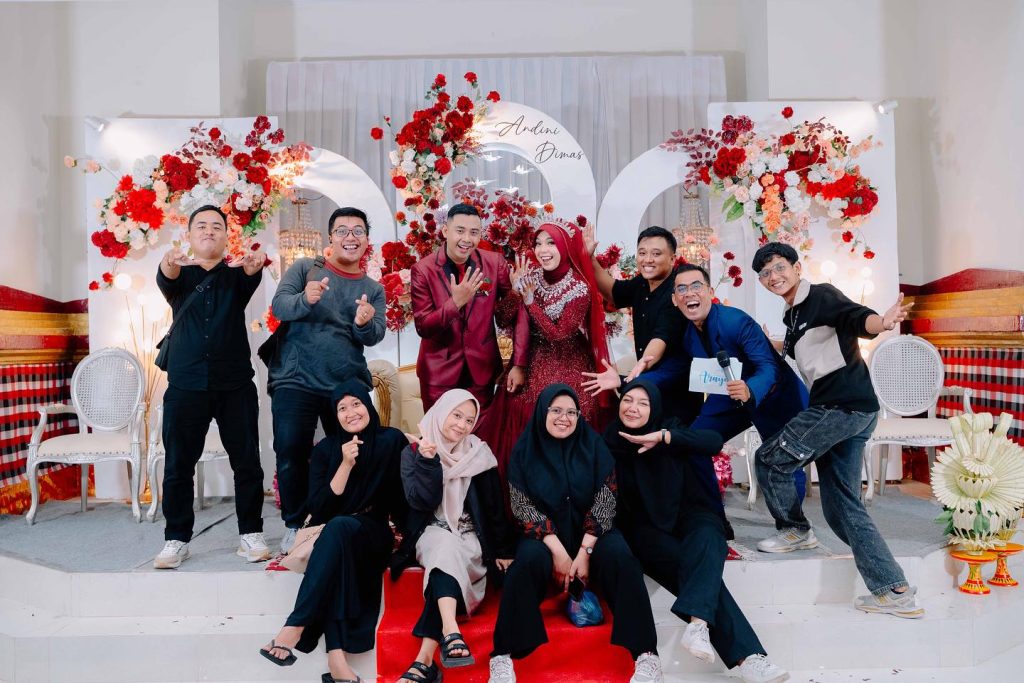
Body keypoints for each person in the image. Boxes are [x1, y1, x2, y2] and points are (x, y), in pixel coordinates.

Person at [751, 242, 922, 618]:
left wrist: (884, 321)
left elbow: (858, 319)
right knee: (841, 507)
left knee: (770, 458)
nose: (773, 276)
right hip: (853, 411)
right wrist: (770, 342)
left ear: (796, 268)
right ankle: (893, 589)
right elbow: (799, 346)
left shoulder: (822, 295)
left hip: (841, 407)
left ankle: (795, 530)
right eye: (765, 273)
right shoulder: (792, 314)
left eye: (779, 268)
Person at [605, 380, 790, 683]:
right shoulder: (608, 441)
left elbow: (712, 440)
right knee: (688, 564)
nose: (633, 408)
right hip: (644, 529)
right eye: (627, 400)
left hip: (687, 513)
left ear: (654, 407)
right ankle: (747, 657)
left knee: (709, 535)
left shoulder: (670, 429)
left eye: (642, 403)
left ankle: (698, 625)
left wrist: (665, 437)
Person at [489, 384, 663, 683]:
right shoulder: (524, 451)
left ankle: (647, 655)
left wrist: (585, 551)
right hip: (545, 536)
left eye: (571, 412)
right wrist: (559, 553)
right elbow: (522, 505)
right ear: (542, 412)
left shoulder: (593, 445)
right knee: (525, 564)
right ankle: (503, 657)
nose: (564, 418)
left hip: (593, 533)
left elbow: (606, 498)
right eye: (556, 410)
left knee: (622, 558)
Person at [259, 381, 409, 683]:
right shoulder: (327, 450)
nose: (351, 412)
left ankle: (296, 626)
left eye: (356, 404)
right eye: (342, 408)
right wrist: (345, 465)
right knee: (338, 541)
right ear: (334, 415)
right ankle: (337, 660)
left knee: (339, 531)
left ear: (368, 405)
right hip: (334, 533)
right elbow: (318, 509)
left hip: (373, 532)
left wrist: (412, 541)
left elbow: (403, 495)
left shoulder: (391, 440)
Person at [153, 205, 269, 569]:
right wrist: (169, 262)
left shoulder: (236, 275)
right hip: (185, 384)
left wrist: (254, 264)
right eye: (201, 226)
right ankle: (176, 539)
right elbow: (167, 276)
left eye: (217, 226)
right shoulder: (180, 274)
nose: (209, 231)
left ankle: (251, 533)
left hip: (235, 384)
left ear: (225, 236)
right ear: (189, 235)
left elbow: (251, 273)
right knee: (178, 465)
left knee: (247, 462)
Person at [268, 207, 386, 553]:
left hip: (345, 383)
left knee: (356, 451)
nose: (351, 237)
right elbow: (279, 307)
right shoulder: (306, 269)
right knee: (290, 451)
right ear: (331, 237)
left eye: (358, 231)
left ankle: (343, 518)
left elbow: (375, 334)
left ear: (366, 239)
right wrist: (305, 299)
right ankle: (295, 524)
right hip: (296, 379)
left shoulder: (373, 289)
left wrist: (363, 322)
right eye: (343, 230)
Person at [391, 389, 517, 683]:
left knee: (445, 560)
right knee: (444, 545)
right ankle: (451, 629)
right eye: (456, 415)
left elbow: (494, 507)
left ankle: (424, 660)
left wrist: (503, 549)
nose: (462, 425)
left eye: (469, 420)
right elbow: (420, 502)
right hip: (430, 531)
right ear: (441, 411)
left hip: (471, 536)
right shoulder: (413, 452)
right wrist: (428, 462)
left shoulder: (478, 453)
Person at [479, 222, 613, 472]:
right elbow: (502, 318)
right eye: (538, 243)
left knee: (564, 412)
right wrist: (516, 292)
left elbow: (559, 334)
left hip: (569, 361)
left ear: (565, 246)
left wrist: (530, 302)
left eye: (551, 243)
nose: (543, 250)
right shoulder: (530, 276)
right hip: (529, 359)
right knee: (518, 411)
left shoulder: (579, 288)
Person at [672, 264, 810, 500]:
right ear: (675, 299)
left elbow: (769, 366)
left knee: (784, 464)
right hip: (730, 396)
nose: (689, 293)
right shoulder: (686, 333)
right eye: (682, 289)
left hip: (776, 396)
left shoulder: (736, 321)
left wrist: (750, 389)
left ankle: (792, 521)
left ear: (710, 291)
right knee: (694, 442)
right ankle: (708, 511)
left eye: (696, 286)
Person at [410, 203, 528, 413]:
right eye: (460, 231)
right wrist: (455, 303)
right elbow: (423, 327)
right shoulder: (423, 270)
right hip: (439, 372)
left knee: (482, 432)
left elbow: (505, 318)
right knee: (439, 432)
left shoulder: (494, 263)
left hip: (481, 370)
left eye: (474, 232)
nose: (467, 239)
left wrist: (515, 293)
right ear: (445, 231)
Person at [582, 225, 703, 423]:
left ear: (672, 259)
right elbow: (613, 292)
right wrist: (589, 257)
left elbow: (662, 335)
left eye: (656, 254)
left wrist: (644, 362)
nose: (648, 259)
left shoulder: (678, 291)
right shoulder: (642, 284)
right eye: (642, 253)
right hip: (647, 385)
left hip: (676, 390)